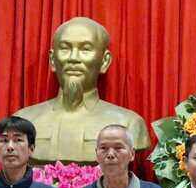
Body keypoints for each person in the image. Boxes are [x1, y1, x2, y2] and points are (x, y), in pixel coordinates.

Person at [15, 16, 150, 162]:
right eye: (65, 48)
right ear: (53, 60)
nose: (73, 58)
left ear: (104, 61)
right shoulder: (23, 121)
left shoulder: (128, 123)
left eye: (85, 49)